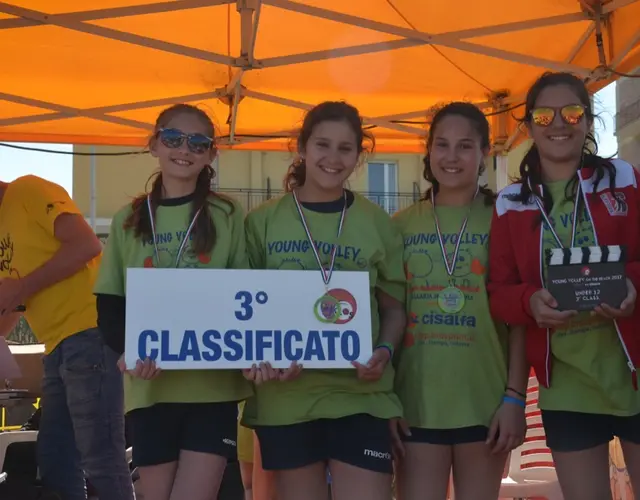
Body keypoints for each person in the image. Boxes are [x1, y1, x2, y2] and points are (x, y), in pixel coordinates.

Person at [241, 101, 407, 500]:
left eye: (345, 149)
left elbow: (394, 307)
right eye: (322, 145)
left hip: (360, 397)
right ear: (301, 147)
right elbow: (245, 312)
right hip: (286, 401)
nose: (332, 158)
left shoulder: (376, 221)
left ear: (358, 156)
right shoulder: (262, 221)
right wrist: (260, 361)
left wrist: (383, 351)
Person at [488, 71, 640, 500]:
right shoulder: (510, 203)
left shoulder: (626, 180)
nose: (559, 123)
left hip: (633, 373)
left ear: (589, 122)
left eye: (572, 113)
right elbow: (499, 290)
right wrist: (529, 301)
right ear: (529, 125)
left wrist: (633, 288)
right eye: (544, 114)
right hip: (567, 387)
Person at [94, 103, 253, 500]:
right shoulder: (128, 218)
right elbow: (111, 304)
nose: (185, 148)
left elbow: (245, 294)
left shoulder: (227, 213)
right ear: (154, 145)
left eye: (199, 142)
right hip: (151, 387)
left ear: (211, 154)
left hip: (211, 388)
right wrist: (129, 350)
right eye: (173, 138)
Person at [390, 102, 527, 500]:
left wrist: (514, 398)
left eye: (465, 146)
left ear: (484, 153)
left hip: (485, 406)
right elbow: (389, 315)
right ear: (428, 151)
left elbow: (518, 320)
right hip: (415, 406)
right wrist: (385, 400)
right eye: (442, 145)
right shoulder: (399, 225)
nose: (451, 157)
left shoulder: (504, 218)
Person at [0, 174, 134, 500]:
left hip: (90, 331)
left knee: (99, 455)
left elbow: (86, 245)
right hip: (59, 344)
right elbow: (14, 300)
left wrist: (22, 287)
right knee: (57, 454)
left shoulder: (28, 190)